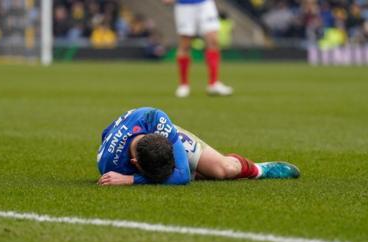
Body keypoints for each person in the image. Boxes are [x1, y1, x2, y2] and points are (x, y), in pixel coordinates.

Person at [97, 107, 300, 186]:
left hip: (150, 131)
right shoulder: (111, 167)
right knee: (199, 174)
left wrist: (132, 179)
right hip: (133, 145)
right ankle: (200, 171)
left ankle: (260, 169)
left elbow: (182, 176)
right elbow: (105, 134)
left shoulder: (156, 120)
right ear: (134, 163)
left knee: (223, 170)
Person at [163, 0, 232, 98]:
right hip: (184, 5)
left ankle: (213, 83)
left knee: (213, 40)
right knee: (185, 44)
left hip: (205, 3)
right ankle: (184, 85)